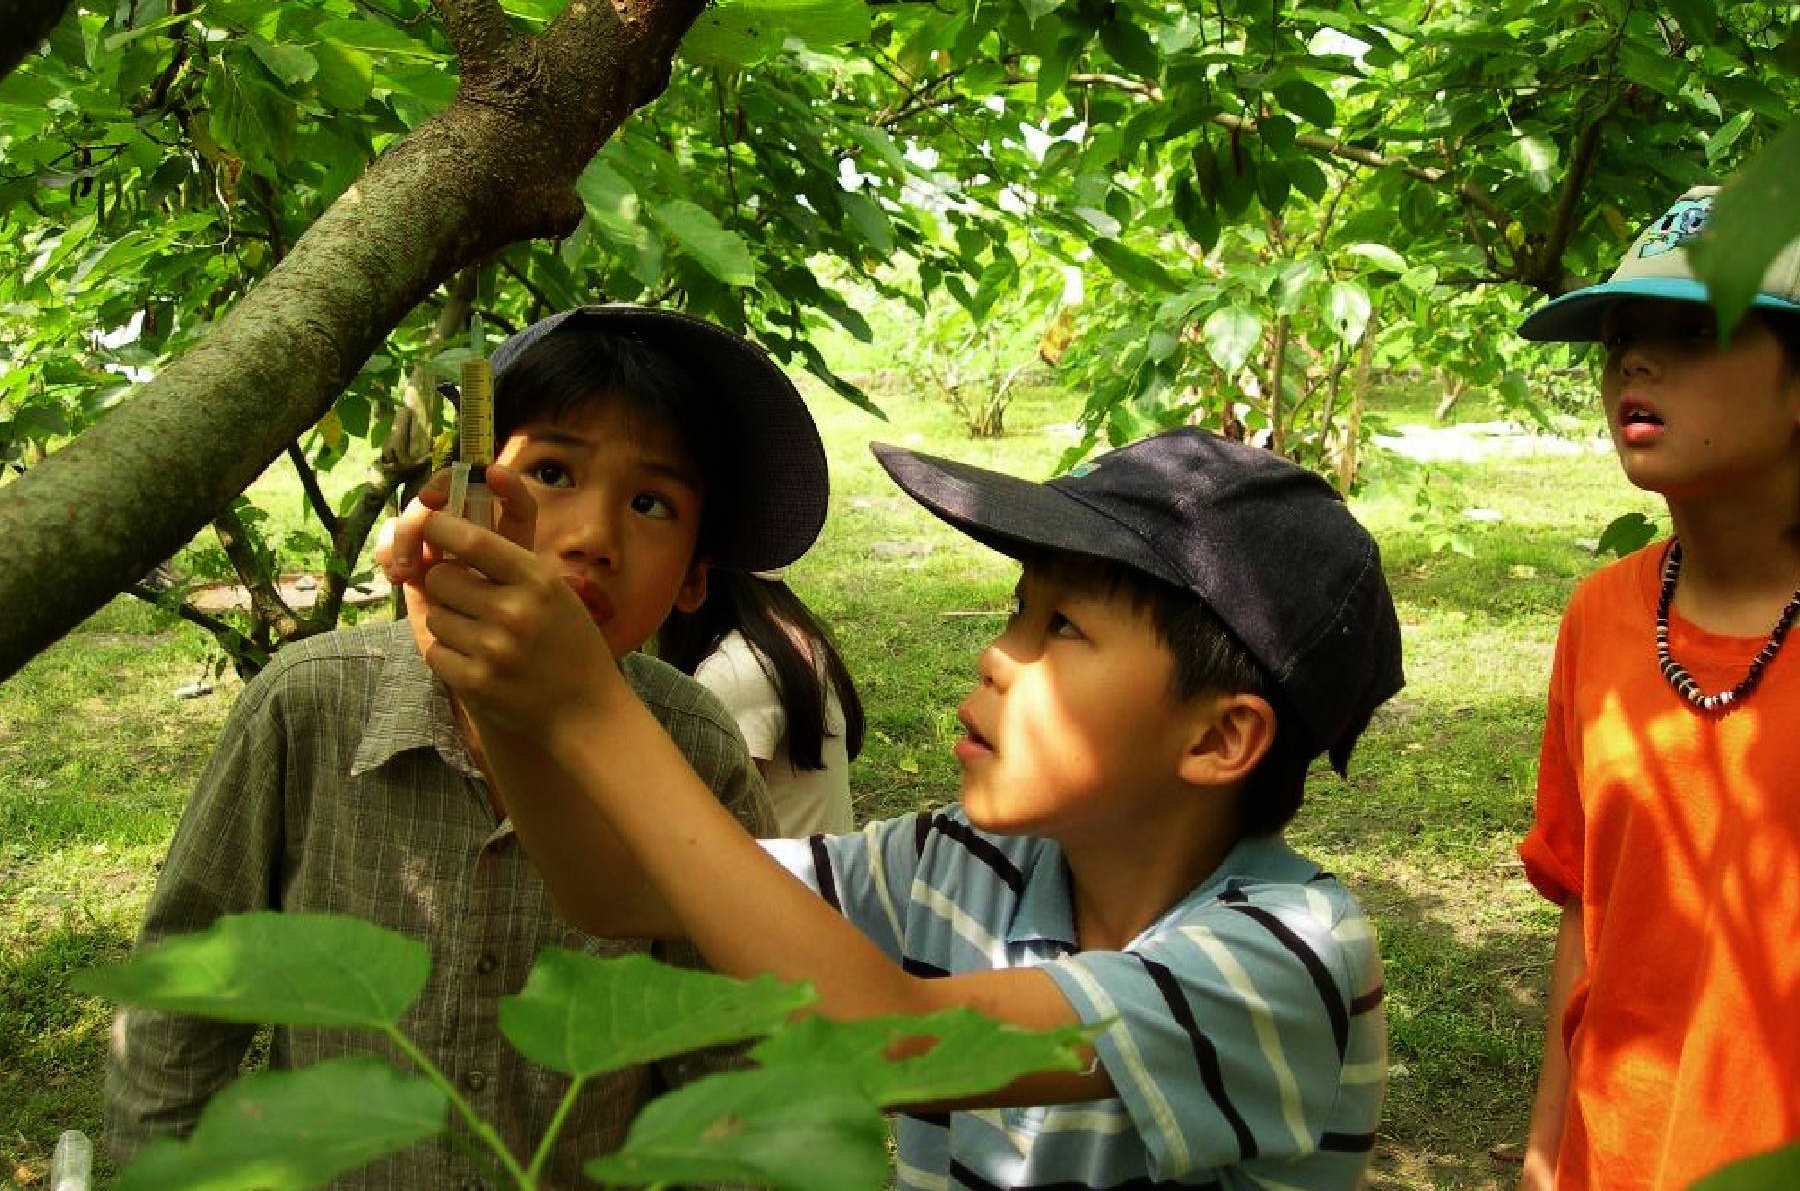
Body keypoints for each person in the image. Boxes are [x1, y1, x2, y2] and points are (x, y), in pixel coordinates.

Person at [394, 425, 1406, 1189]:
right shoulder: (956, 861)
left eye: (1062, 628)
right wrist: (503, 696)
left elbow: (886, 1037)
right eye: (1018, 609)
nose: (998, 653)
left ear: (1219, 738)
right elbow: (614, 890)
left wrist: (590, 707)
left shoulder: (1284, 958)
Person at [103, 304, 832, 1189]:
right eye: (553, 472)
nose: (593, 538)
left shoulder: (698, 749)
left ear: (692, 580)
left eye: (651, 502)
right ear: (457, 504)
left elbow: (731, 1068)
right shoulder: (306, 708)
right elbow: (181, 1013)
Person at [1512, 184, 1800, 1190]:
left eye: (1693, 330)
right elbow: (1591, 904)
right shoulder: (1602, 617)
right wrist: (1548, 1152)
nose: (1635, 361)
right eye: (1623, 336)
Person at [656, 567, 865, 836]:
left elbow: (712, 833)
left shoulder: (735, 670)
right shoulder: (791, 638)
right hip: (820, 871)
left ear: (694, 578)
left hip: (778, 874)